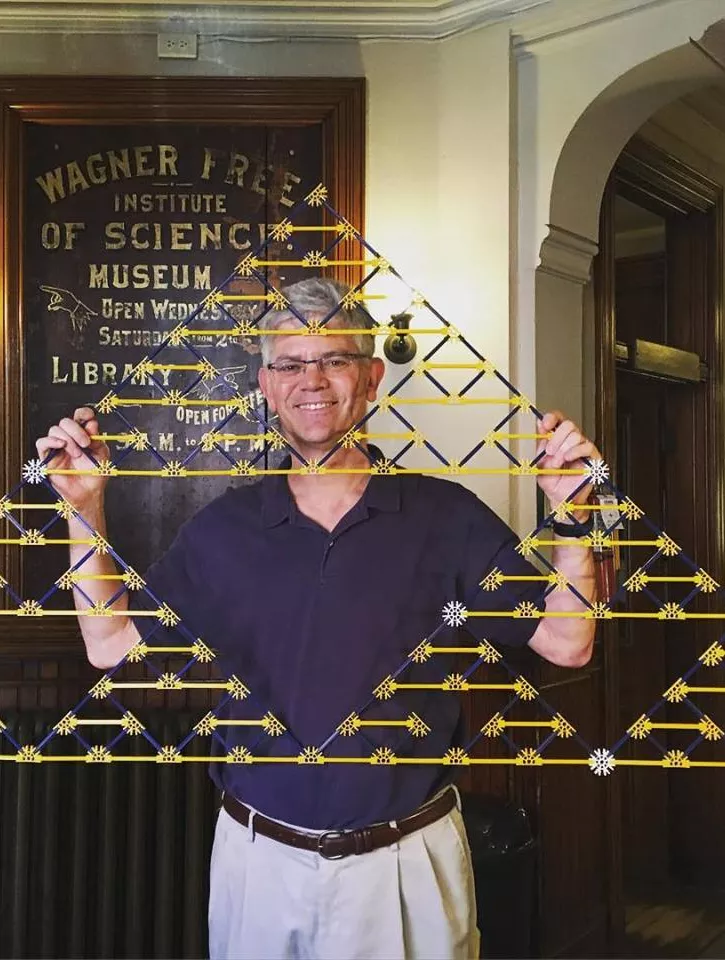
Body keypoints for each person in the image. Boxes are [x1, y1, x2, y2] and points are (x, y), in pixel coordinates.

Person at [37, 277, 599, 960]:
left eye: (333, 359)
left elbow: (568, 642)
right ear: (266, 386)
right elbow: (109, 644)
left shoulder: (446, 516)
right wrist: (81, 507)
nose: (313, 379)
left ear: (369, 379)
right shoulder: (223, 530)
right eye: (290, 363)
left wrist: (573, 513)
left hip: (407, 867)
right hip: (259, 864)